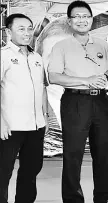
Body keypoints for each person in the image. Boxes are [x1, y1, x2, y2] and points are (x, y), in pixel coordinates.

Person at [47, 0, 108, 203]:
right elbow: (53, 76)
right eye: (77, 17)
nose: (82, 20)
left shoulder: (102, 44)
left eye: (86, 16)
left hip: (102, 102)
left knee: (105, 154)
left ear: (92, 20)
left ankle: (102, 198)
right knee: (73, 154)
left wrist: (104, 76)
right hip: (74, 102)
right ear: (69, 22)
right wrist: (85, 81)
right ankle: (72, 199)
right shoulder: (61, 46)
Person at [0, 13, 49, 203]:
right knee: (3, 174)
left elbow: (42, 88)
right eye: (21, 28)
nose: (27, 33)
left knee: (30, 172)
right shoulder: (3, 56)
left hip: (36, 128)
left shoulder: (37, 57)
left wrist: (45, 116)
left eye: (30, 28)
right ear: (8, 31)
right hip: (10, 128)